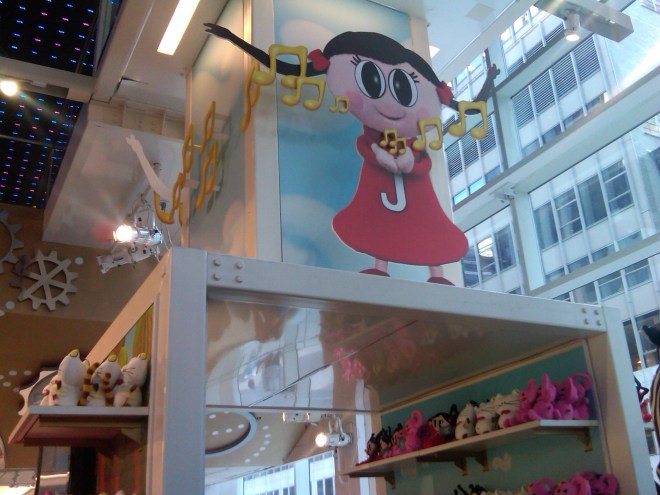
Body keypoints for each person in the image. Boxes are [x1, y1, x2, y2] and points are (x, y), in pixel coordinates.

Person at [205, 25, 499, 284]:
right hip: (379, 184)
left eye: (403, 87)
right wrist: (233, 37)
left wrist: (409, 161)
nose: (390, 103)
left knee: (426, 224)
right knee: (378, 222)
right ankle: (379, 268)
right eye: (371, 80)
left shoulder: (414, 139)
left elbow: (434, 147)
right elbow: (286, 68)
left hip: (417, 192)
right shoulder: (375, 134)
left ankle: (436, 273)